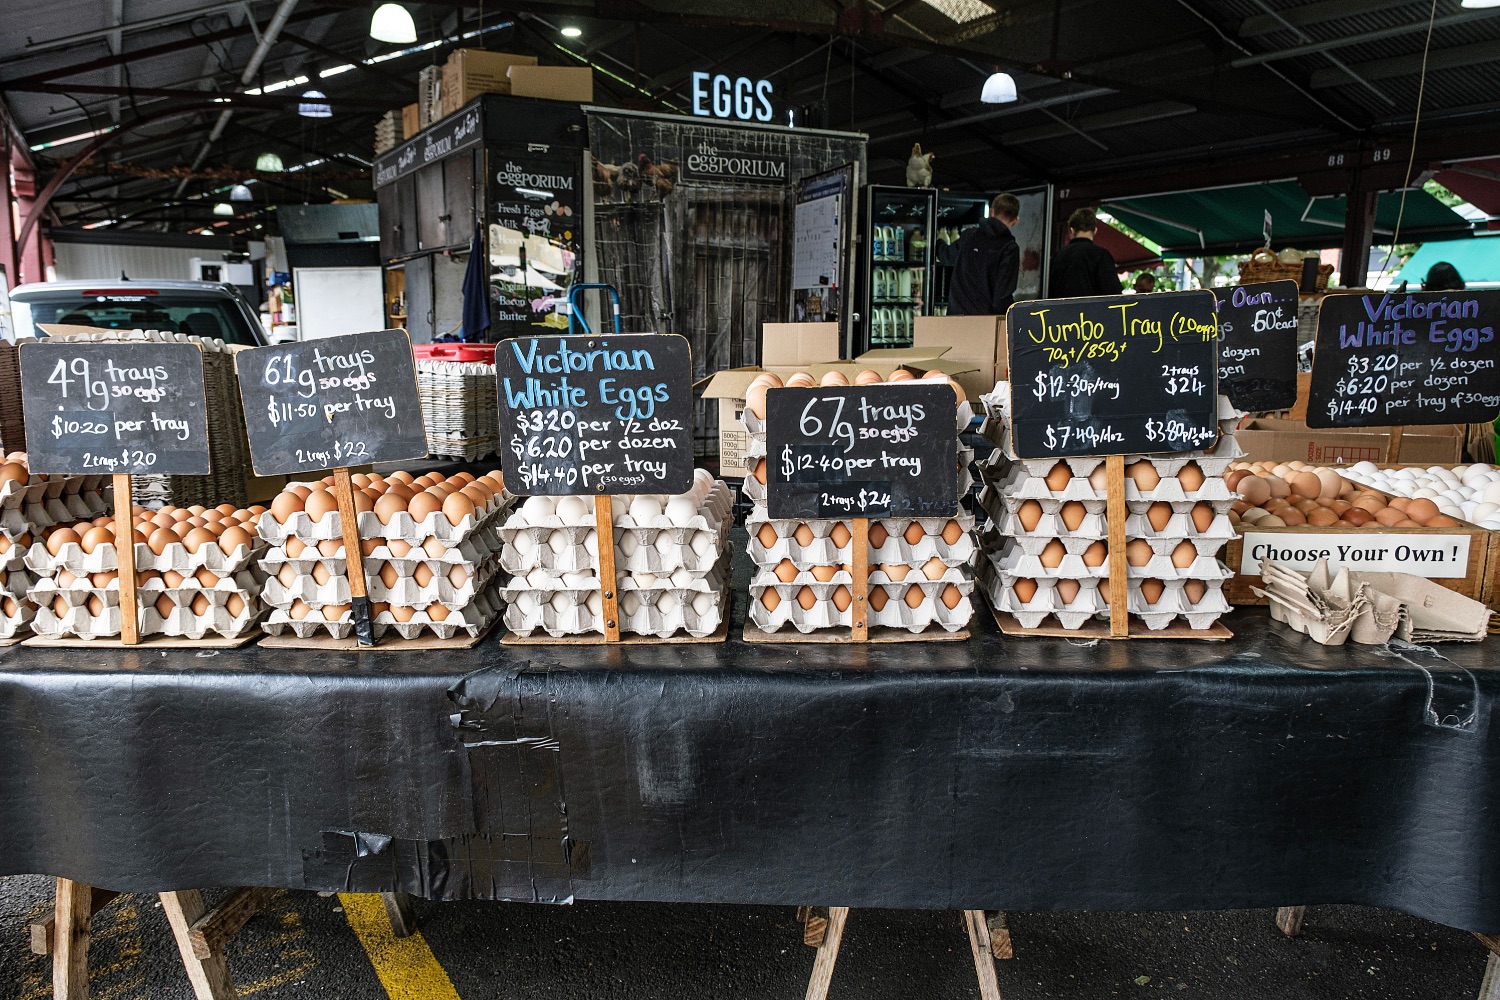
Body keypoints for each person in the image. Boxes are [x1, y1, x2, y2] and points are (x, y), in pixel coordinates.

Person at [948, 192, 1020, 315]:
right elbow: (1002, 296)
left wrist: (936, 243)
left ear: (992, 212)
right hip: (984, 323)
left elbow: (947, 256)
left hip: (955, 320)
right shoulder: (1009, 248)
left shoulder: (969, 236)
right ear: (1015, 221)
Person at [1046, 208, 1123, 298]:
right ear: (1095, 231)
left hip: (1061, 311)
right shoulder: (1102, 255)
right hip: (1093, 311)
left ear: (1071, 230)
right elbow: (1113, 292)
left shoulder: (1058, 257)